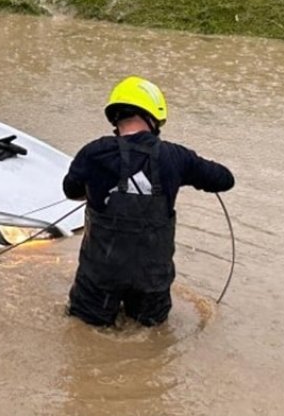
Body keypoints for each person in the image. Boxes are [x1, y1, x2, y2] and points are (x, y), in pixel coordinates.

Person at [63, 76, 234, 327]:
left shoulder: (93, 152)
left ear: (115, 118)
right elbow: (225, 180)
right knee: (150, 341)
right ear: (153, 118)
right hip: (151, 281)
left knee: (83, 336)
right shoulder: (176, 157)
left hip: (99, 277)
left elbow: (70, 190)